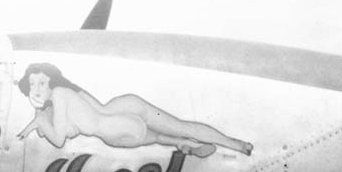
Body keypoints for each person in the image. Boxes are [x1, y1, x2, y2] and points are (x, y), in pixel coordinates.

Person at [16, 62, 252, 157]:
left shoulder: (59, 96)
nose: (36, 89)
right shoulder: (70, 92)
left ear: (52, 83)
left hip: (118, 130)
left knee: (163, 135)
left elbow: (59, 140)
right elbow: (92, 112)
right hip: (123, 110)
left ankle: (184, 143)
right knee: (179, 127)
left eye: (41, 82)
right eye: (33, 83)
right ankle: (233, 144)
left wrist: (39, 122)